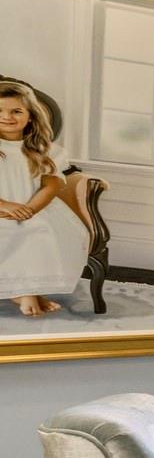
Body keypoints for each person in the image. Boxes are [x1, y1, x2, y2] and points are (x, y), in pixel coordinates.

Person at [0, 80, 90, 317]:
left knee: (40, 229)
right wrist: (5, 205)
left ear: (30, 116)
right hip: (2, 206)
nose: (7, 116)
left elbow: (51, 185)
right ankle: (21, 292)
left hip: (34, 206)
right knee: (8, 230)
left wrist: (30, 209)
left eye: (16, 111)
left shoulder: (42, 148)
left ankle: (31, 289)